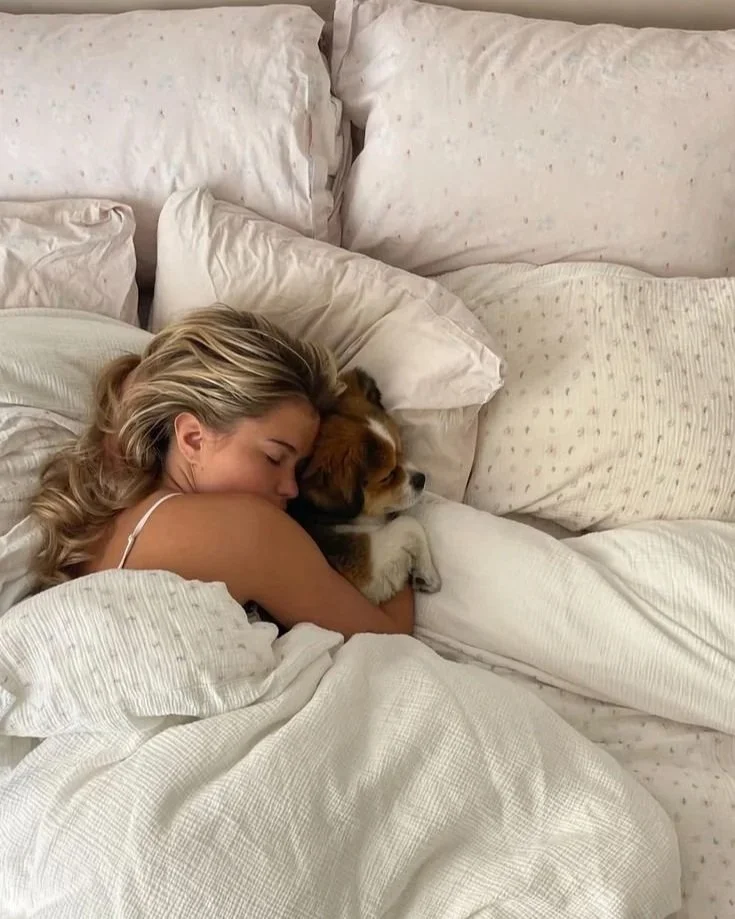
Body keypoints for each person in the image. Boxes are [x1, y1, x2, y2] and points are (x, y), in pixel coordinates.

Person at [30, 304, 414, 637]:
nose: (292, 488)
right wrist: (392, 521)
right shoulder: (248, 529)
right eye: (274, 458)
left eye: (299, 468)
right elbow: (391, 639)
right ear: (193, 438)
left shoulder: (107, 521)